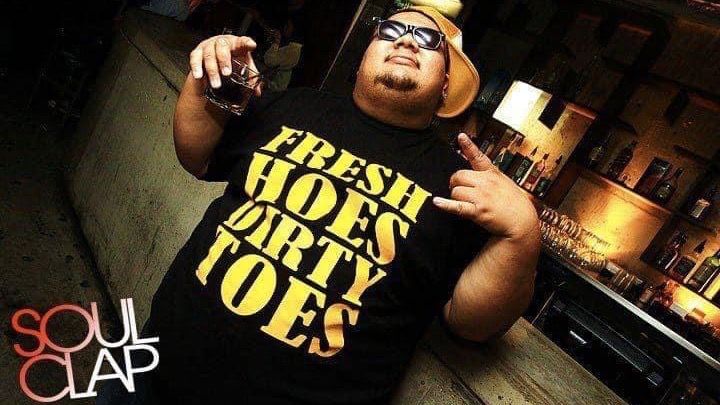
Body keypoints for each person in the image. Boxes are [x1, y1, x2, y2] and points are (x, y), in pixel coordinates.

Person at [99, 5, 540, 404]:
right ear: (363, 58)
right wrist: (206, 78)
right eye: (390, 31)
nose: (406, 41)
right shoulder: (296, 105)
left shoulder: (457, 181)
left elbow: (470, 323)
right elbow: (197, 156)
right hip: (150, 373)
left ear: (444, 85)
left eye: (428, 40)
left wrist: (522, 233)